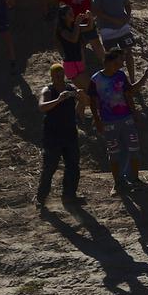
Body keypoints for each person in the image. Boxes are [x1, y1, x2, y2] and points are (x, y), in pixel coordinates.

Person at [88, 49, 148, 195]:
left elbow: (129, 93)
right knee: (114, 152)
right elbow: (93, 101)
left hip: (126, 118)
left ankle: (134, 179)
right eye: (119, 61)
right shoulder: (96, 79)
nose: (121, 64)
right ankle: (118, 182)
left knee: (134, 149)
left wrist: (145, 77)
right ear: (110, 61)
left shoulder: (120, 76)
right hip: (109, 121)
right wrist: (97, 120)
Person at [36, 63, 90, 207]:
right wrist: (59, 99)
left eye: (62, 75)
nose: (60, 78)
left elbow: (86, 102)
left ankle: (69, 196)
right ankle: (41, 197)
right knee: (50, 167)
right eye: (57, 75)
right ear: (52, 76)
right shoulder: (48, 90)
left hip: (69, 132)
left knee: (73, 165)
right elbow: (42, 107)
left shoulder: (70, 88)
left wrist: (81, 95)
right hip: (52, 135)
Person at [92, 0, 137, 80]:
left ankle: (132, 79)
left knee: (128, 53)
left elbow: (127, 4)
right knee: (113, 58)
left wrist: (127, 16)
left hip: (122, 26)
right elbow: (96, 10)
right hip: (107, 29)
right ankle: (117, 80)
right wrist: (112, 19)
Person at [55, 5, 103, 90]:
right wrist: (77, 23)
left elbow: (89, 27)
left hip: (78, 62)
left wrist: (90, 18)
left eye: (72, 13)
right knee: (91, 89)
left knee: (85, 93)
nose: (73, 15)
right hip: (71, 64)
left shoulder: (75, 27)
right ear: (63, 17)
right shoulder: (62, 30)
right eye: (70, 14)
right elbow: (73, 39)